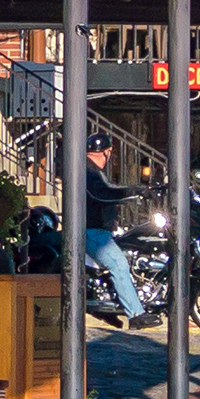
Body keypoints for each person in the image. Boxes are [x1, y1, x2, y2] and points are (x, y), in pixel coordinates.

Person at [81, 133, 148, 326]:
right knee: (118, 263)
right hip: (92, 230)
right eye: (111, 152)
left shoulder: (93, 171)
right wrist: (132, 192)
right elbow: (102, 194)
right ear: (106, 152)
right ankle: (136, 315)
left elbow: (108, 189)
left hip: (100, 230)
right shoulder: (89, 171)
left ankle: (114, 302)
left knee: (126, 254)